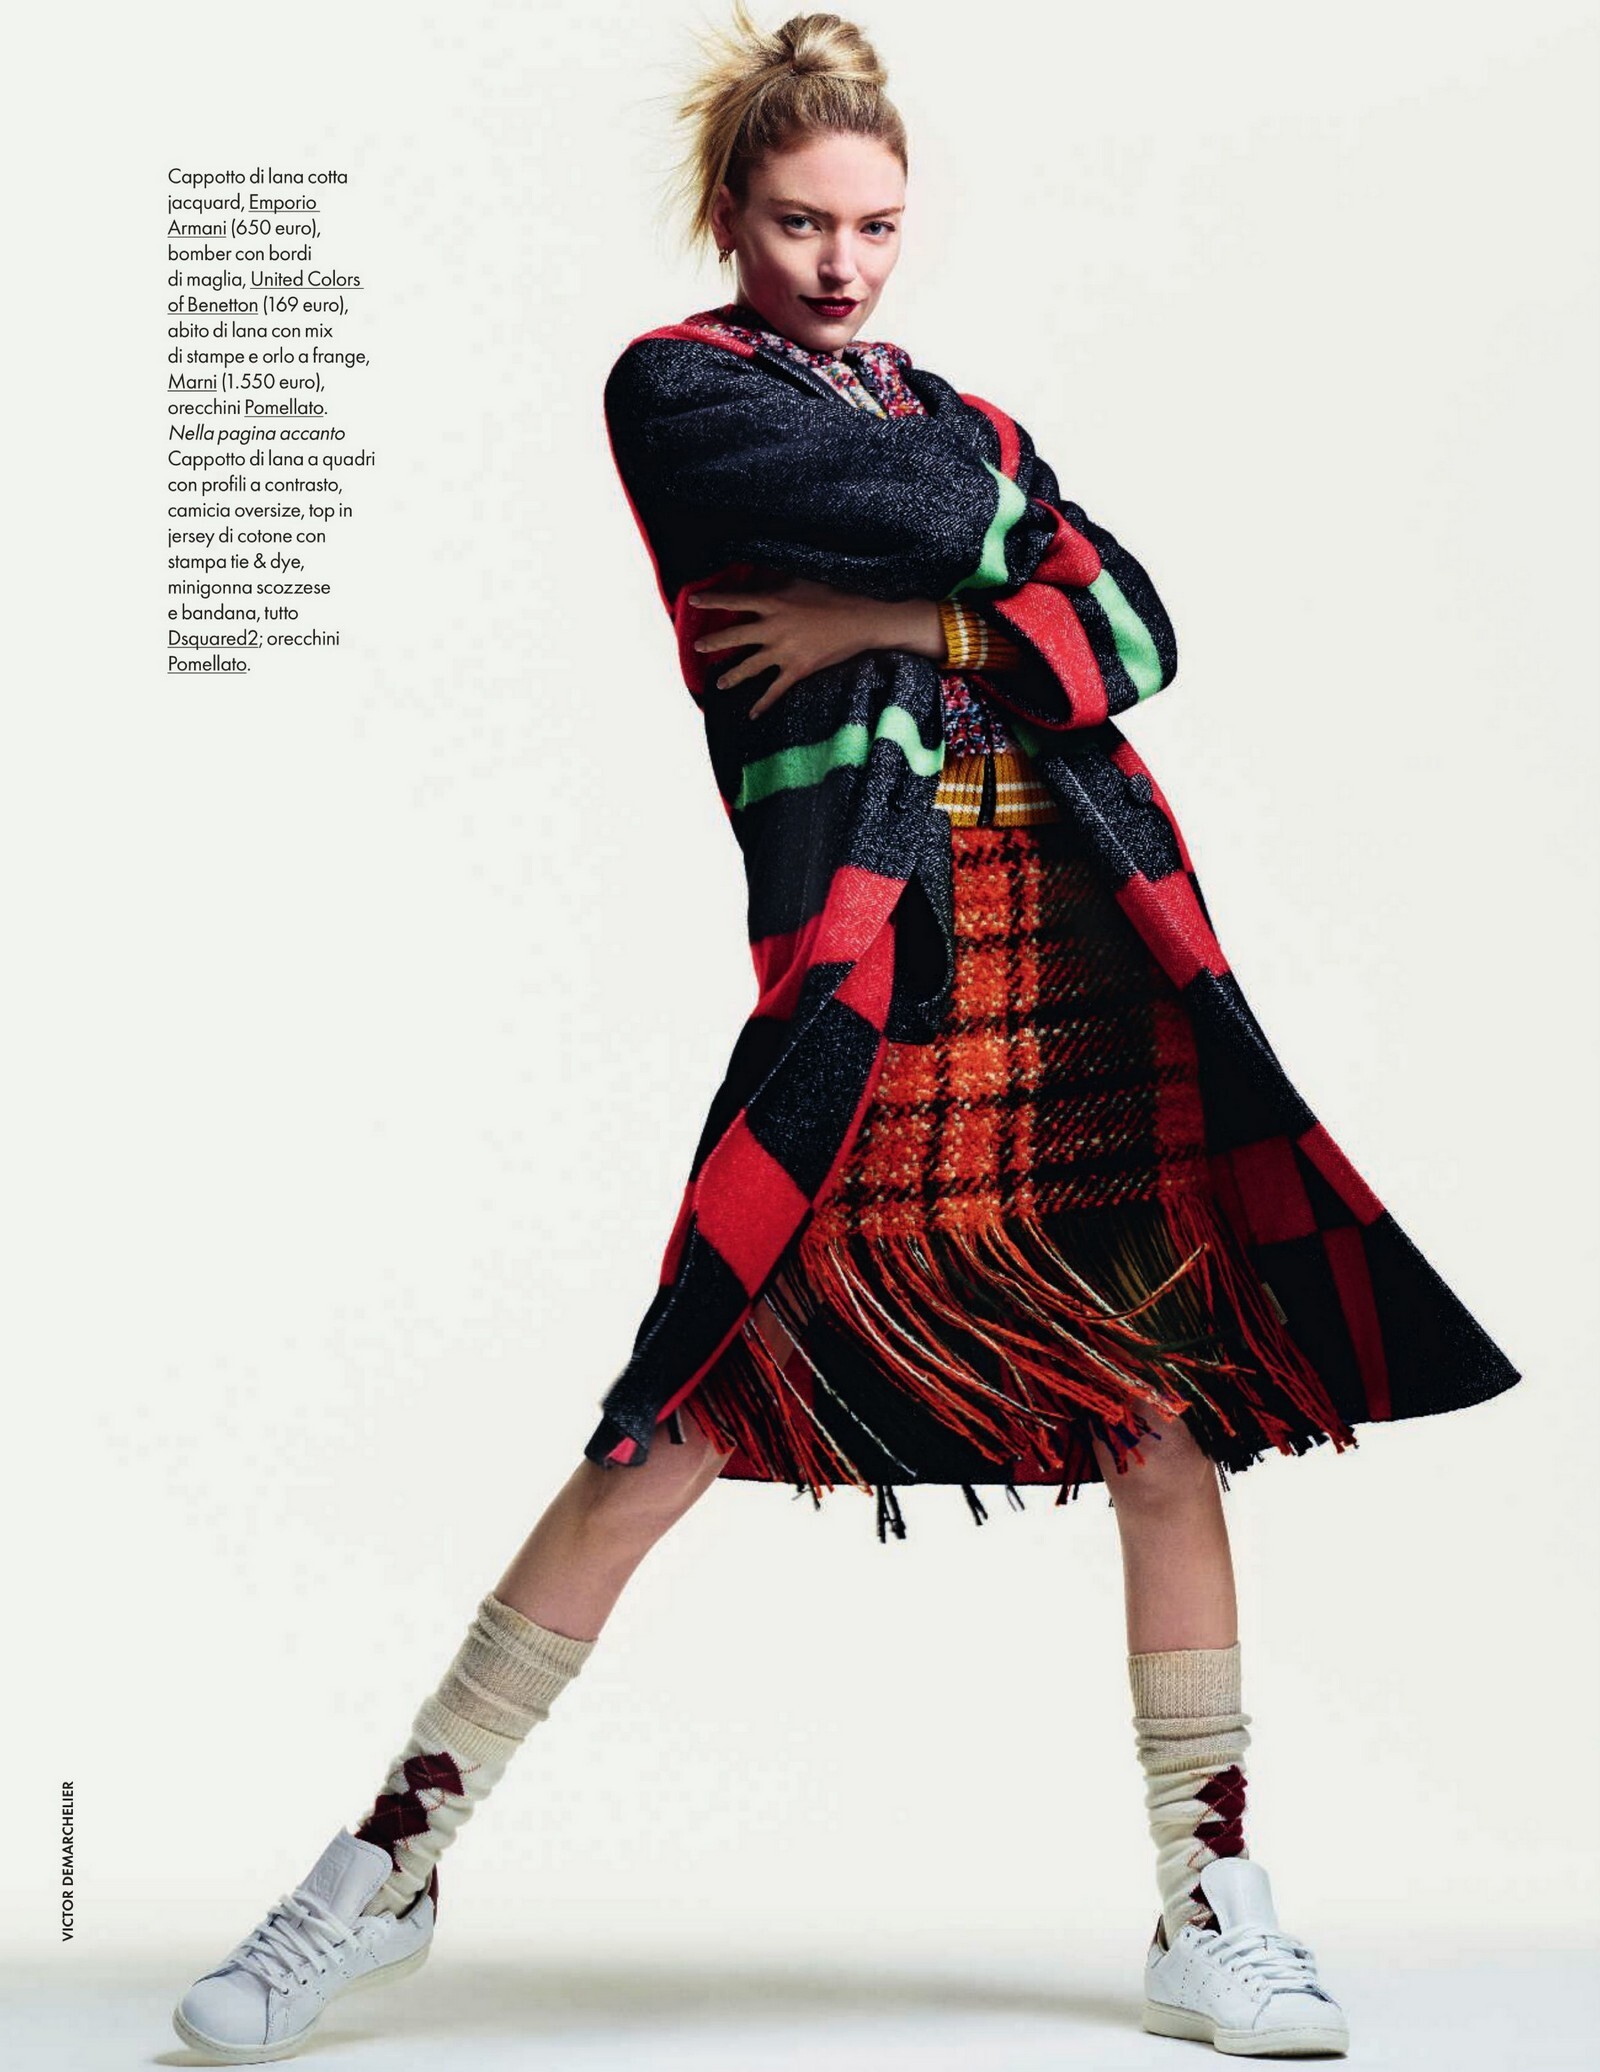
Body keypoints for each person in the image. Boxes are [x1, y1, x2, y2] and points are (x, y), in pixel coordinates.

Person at [171, 6, 1521, 2062]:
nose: (841, 262)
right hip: (876, 983)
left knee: (1161, 1432)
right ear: (731, 211)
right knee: (667, 1431)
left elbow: (1138, 630)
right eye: (803, 221)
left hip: (1086, 970)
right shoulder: (684, 391)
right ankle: (379, 1875)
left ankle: (1212, 1903)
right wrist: (997, 570)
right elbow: (985, 532)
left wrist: (899, 621)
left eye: (875, 226)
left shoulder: (955, 408)